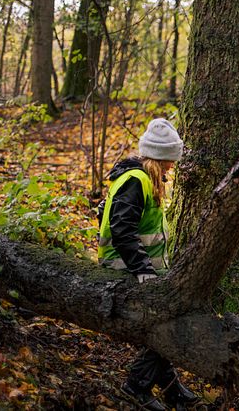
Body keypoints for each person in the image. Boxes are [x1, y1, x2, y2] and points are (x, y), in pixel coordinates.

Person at [97, 118, 198, 411]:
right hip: (124, 268)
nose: (172, 167)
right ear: (160, 157)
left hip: (138, 266)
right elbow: (121, 228)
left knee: (167, 321)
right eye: (169, 161)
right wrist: (141, 268)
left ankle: (171, 388)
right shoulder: (136, 180)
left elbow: (111, 213)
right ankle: (137, 385)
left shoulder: (142, 179)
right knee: (169, 321)